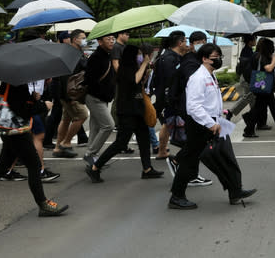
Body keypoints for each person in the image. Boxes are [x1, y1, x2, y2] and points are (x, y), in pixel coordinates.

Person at [169, 44, 256, 209]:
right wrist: (211, 124)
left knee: (226, 156)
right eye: (215, 58)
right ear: (204, 58)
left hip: (215, 123)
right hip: (201, 125)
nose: (218, 60)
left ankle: (235, 190)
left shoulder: (211, 76)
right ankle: (177, 196)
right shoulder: (198, 78)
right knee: (190, 161)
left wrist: (219, 115)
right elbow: (193, 107)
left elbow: (211, 100)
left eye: (219, 57)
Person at [85, 44, 164, 182]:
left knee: (144, 138)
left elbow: (137, 84)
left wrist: (145, 73)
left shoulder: (133, 67)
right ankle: (95, 167)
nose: (140, 56)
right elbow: (133, 80)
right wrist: (144, 63)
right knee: (121, 143)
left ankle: (147, 169)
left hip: (137, 108)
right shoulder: (124, 68)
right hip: (127, 111)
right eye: (138, 54)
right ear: (131, 55)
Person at [0, 80, 68, 216]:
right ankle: (43, 204)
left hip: (9, 129)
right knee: (34, 165)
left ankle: (43, 204)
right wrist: (42, 105)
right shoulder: (17, 84)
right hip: (16, 130)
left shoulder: (10, 81)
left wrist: (33, 99)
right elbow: (21, 110)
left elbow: (15, 105)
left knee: (2, 166)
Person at [165, 31, 213, 188]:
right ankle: (182, 171)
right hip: (189, 109)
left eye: (203, 41)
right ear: (191, 44)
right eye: (198, 42)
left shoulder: (197, 60)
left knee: (195, 144)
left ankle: (186, 171)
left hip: (192, 108)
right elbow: (195, 82)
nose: (201, 44)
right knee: (195, 144)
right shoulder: (190, 62)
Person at [52, 29, 89, 159]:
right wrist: (69, 97)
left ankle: (57, 148)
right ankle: (66, 143)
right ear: (75, 39)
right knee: (82, 115)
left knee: (66, 119)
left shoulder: (77, 52)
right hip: (70, 94)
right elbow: (65, 76)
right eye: (82, 38)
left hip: (70, 93)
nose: (85, 40)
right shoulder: (70, 54)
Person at [242, 38, 275, 136]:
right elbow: (268, 68)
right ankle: (249, 129)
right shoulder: (261, 57)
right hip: (263, 87)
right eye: (272, 46)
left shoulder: (258, 55)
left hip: (263, 87)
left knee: (269, 107)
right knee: (265, 108)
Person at [152, 32, 187, 160]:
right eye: (185, 41)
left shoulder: (171, 56)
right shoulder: (169, 58)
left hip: (170, 96)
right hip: (171, 97)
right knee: (169, 122)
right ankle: (168, 150)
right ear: (179, 43)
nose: (186, 44)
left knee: (166, 123)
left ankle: (162, 151)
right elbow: (170, 80)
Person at [83, 34, 116, 167]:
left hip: (102, 98)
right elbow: (89, 79)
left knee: (95, 128)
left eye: (113, 39)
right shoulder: (96, 57)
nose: (111, 41)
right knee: (108, 125)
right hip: (95, 97)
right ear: (100, 41)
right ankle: (90, 154)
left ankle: (92, 156)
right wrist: (102, 91)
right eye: (108, 39)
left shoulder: (107, 55)